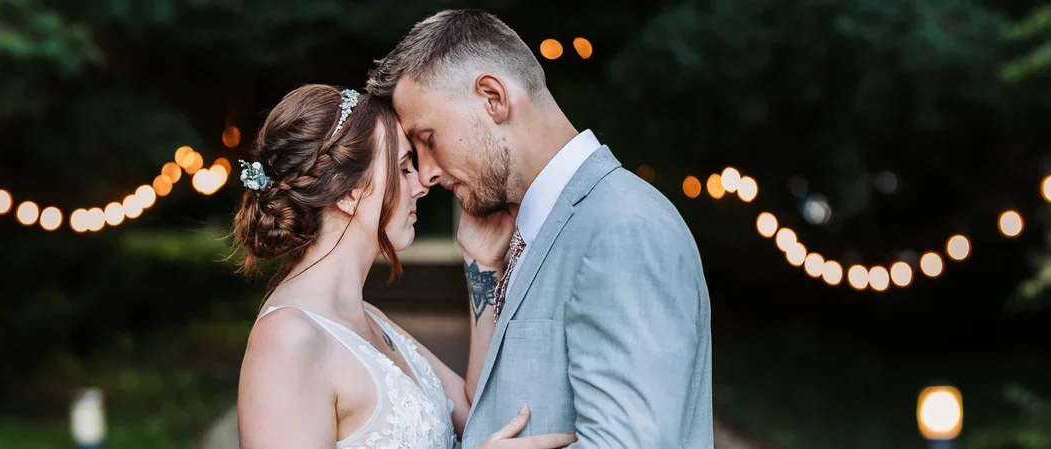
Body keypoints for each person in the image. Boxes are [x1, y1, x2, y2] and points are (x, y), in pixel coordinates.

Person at [366, 9, 714, 448]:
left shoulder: (622, 228)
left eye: (428, 139)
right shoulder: (539, 226)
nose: (428, 173)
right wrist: (482, 270)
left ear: (493, 97)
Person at [232, 84, 577, 449]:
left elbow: (477, 408)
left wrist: (481, 265)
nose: (422, 184)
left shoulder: (368, 318)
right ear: (347, 191)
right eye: (403, 167)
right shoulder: (288, 338)